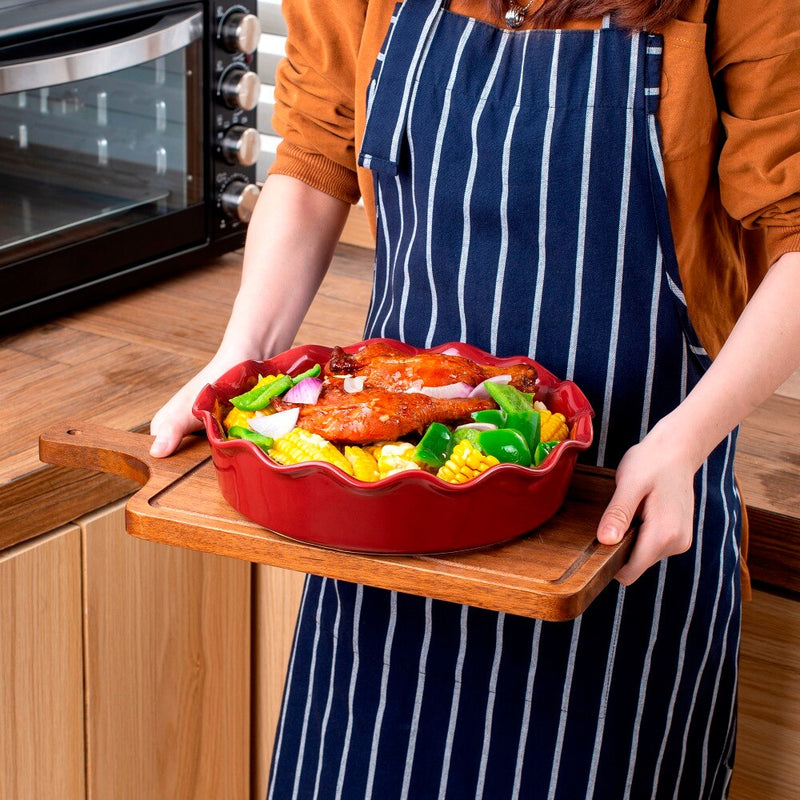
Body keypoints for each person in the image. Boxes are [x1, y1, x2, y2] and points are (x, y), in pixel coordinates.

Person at [150, 0, 800, 797]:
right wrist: (239, 357)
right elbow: (317, 153)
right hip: (385, 519)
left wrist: (686, 444)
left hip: (626, 511)